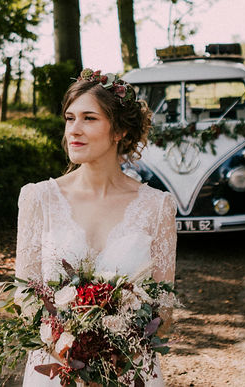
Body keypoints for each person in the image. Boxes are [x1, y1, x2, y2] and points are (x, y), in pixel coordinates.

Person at [15, 68, 178, 387]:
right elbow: (25, 297)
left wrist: (113, 350)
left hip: (128, 371)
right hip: (55, 370)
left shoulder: (157, 207)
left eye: (89, 118)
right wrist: (69, 348)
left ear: (119, 131)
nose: (74, 130)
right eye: (69, 118)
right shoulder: (38, 198)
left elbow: (165, 309)